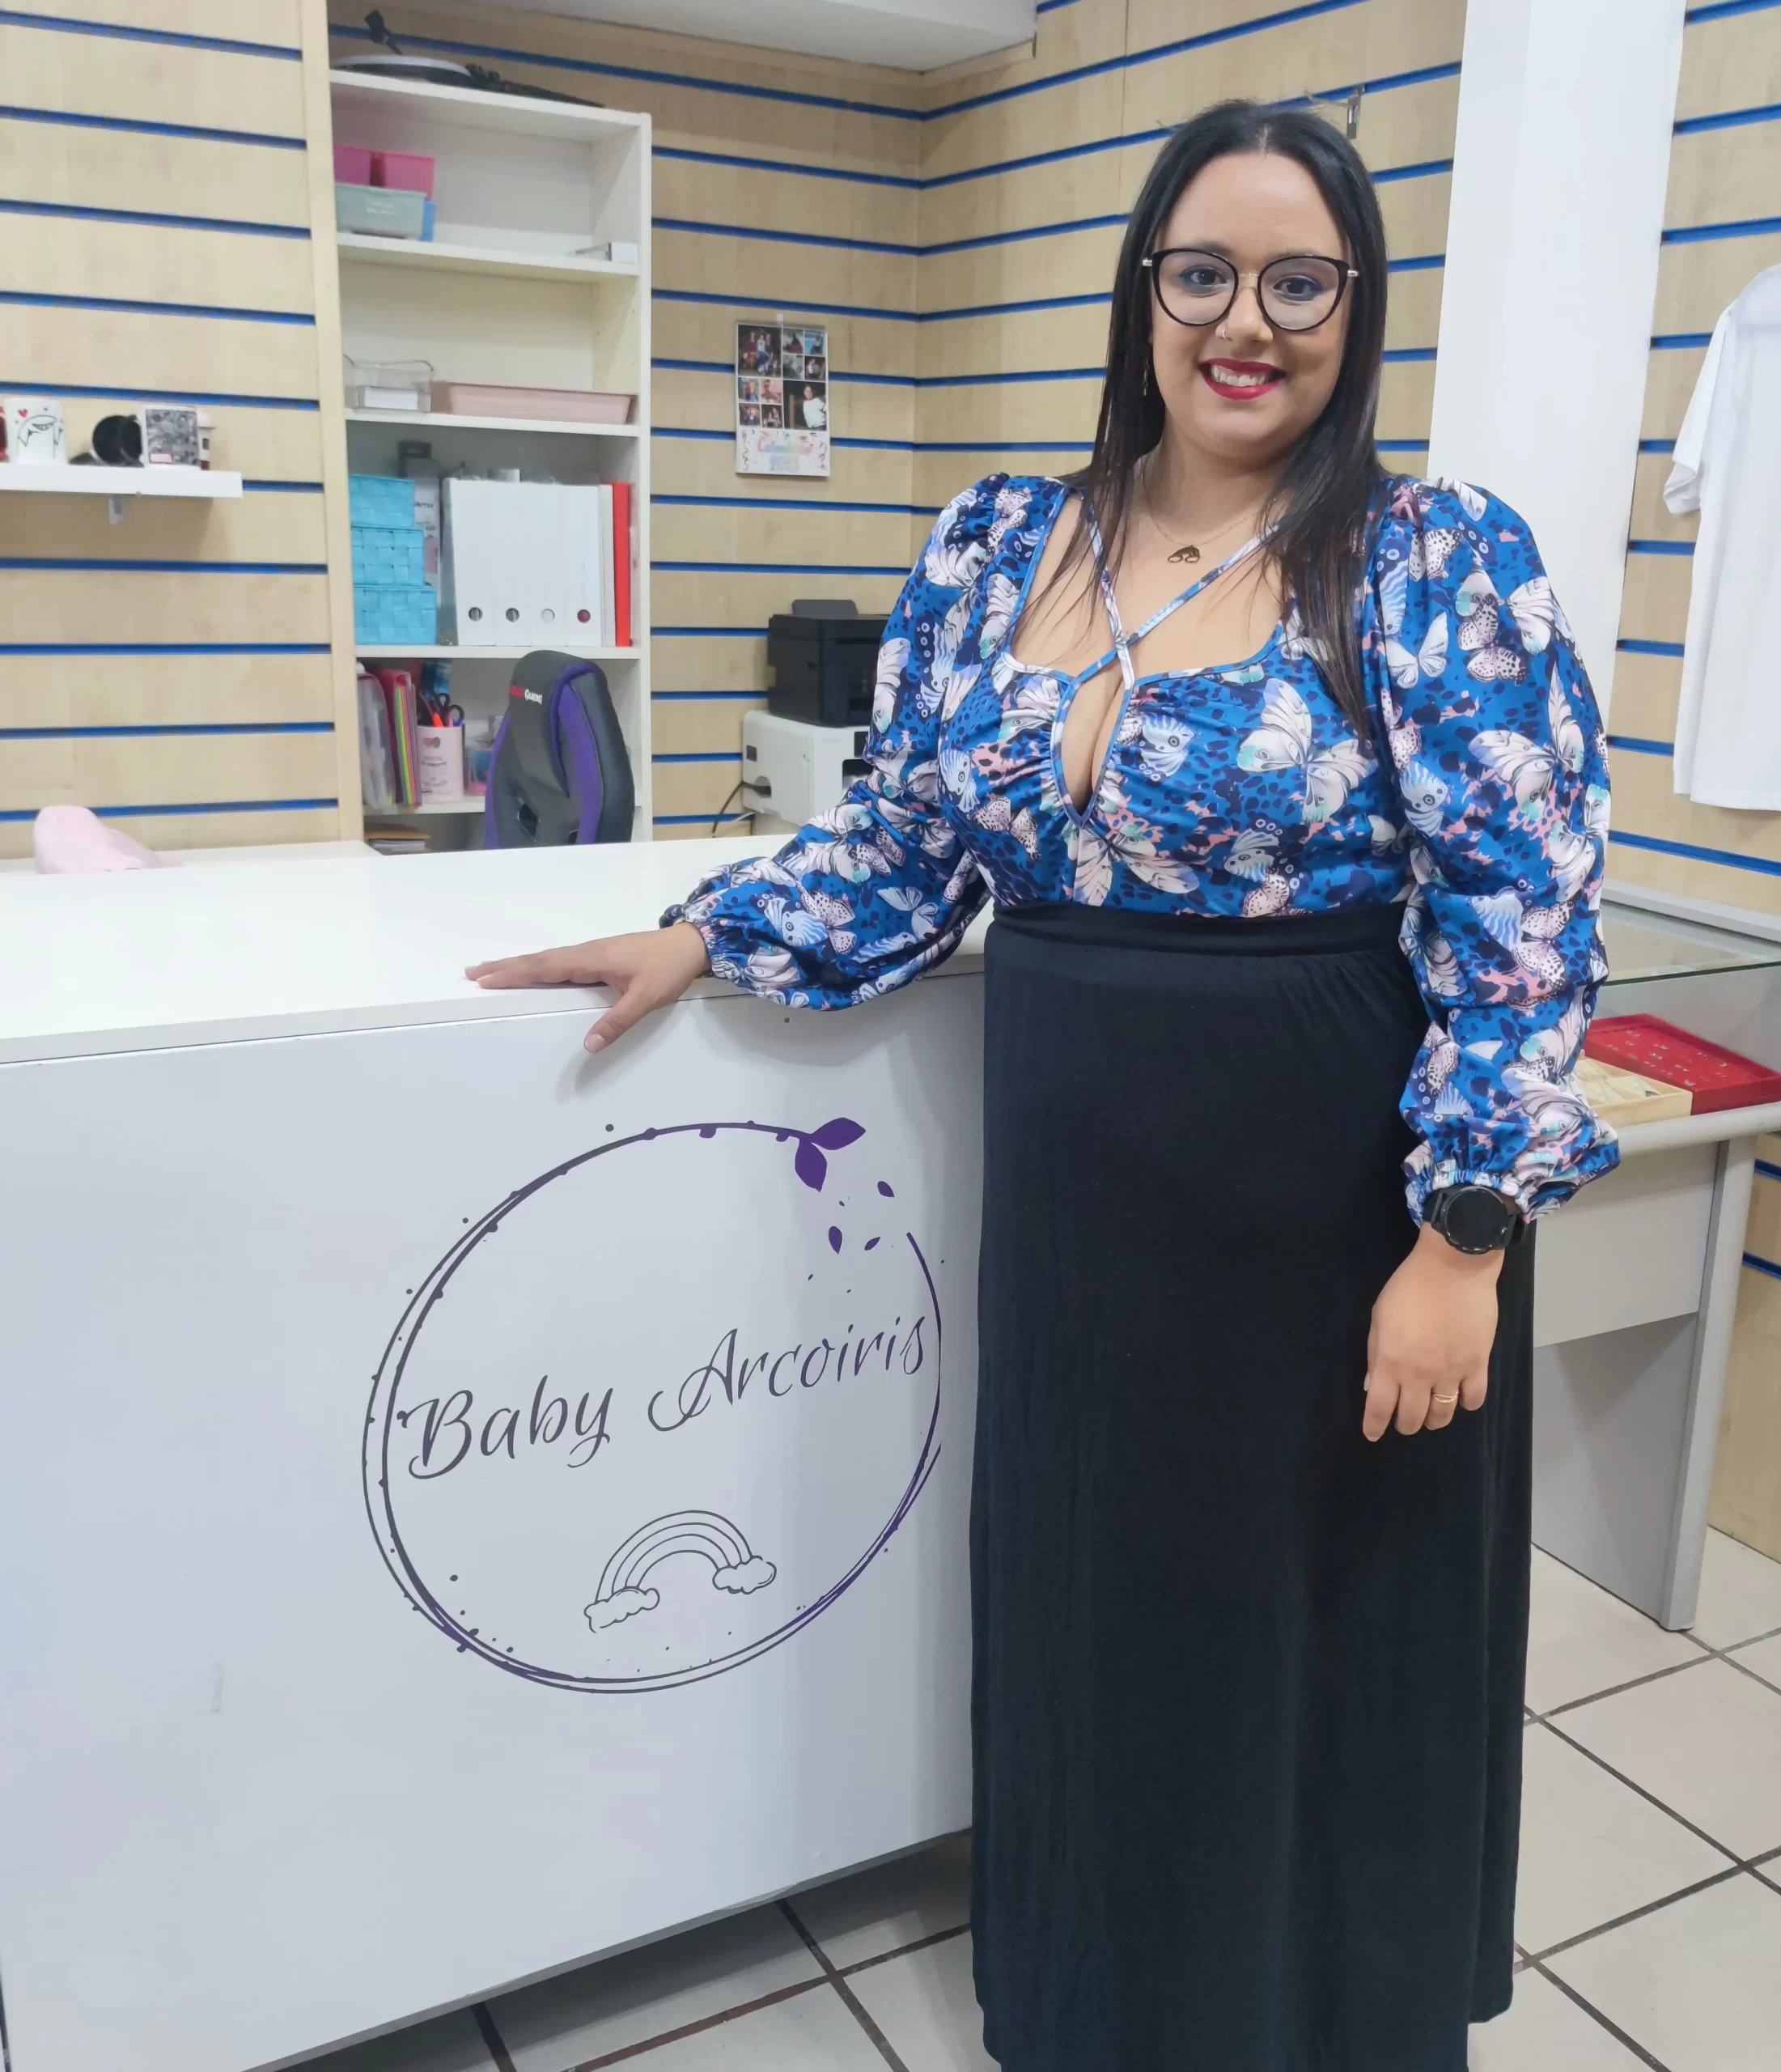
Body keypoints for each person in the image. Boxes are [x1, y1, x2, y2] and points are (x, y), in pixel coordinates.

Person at [469, 97, 1616, 2072]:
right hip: (1084, 1201)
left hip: (1325, 1187)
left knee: (1311, 1620)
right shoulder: (1004, 536)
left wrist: (1463, 1236)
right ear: (1141, 290)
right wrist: (708, 927)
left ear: (1356, 307)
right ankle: (1106, 2007)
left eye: (1297, 280)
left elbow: (1524, 915)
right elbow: (915, 846)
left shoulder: (1430, 554)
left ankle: (1315, 2017)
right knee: (1104, 1607)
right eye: (1201, 272)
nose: (1242, 322)